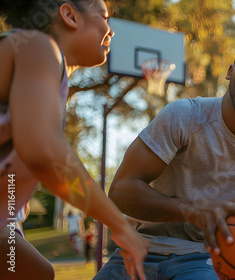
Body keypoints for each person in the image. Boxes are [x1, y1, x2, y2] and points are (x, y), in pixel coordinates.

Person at [94, 26, 235, 279]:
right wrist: (191, 210)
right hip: (138, 247)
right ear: (231, 72)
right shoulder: (184, 116)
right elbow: (121, 191)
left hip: (205, 260)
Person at [0, 1, 149, 279]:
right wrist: (120, 225)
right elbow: (43, 152)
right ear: (70, 15)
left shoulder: (38, 62)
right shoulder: (37, 46)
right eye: (103, 17)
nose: (111, 30)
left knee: (36, 272)